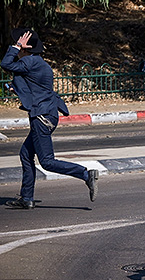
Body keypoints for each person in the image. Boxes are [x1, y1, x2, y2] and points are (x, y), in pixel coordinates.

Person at [1, 28, 98, 209]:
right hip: (48, 114)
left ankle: (86, 174)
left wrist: (15, 46)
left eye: (20, 45)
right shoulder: (39, 64)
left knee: (47, 162)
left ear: (25, 47)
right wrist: (17, 89)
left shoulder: (29, 61)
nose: (17, 48)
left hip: (42, 117)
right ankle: (26, 198)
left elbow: (6, 64)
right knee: (25, 154)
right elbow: (36, 87)